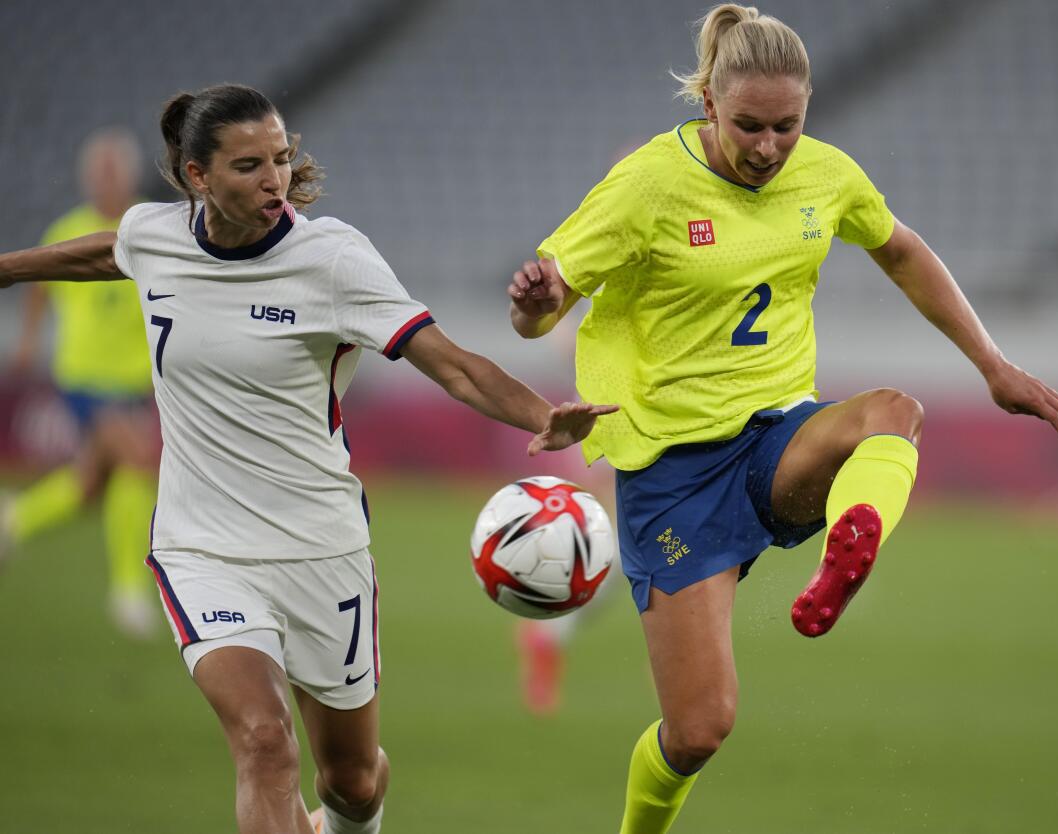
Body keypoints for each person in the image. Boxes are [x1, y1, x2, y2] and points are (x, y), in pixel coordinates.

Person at [507, 5, 1058, 833]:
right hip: (673, 475)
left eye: (787, 126)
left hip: (775, 440)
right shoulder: (646, 186)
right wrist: (537, 303)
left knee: (894, 413)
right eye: (748, 127)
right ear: (706, 102)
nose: (770, 147)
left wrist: (993, 365)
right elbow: (542, 304)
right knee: (700, 730)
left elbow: (901, 248)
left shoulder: (825, 173)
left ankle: (850, 549)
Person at [0, 83, 615, 834]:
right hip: (203, 548)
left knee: (351, 781)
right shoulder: (156, 236)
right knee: (264, 744)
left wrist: (544, 416)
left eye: (282, 160)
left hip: (323, 551)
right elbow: (109, 251)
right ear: (198, 177)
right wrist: (11, 266)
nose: (274, 180)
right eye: (249, 165)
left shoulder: (333, 260)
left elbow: (451, 363)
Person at [1, 127, 160, 638]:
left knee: (94, 483)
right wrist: (28, 340)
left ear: (129, 176)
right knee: (136, 458)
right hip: (84, 376)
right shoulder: (67, 229)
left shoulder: (148, 228)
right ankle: (128, 592)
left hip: (134, 378)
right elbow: (40, 290)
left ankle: (15, 519)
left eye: (114, 172)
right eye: (99, 172)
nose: (105, 181)